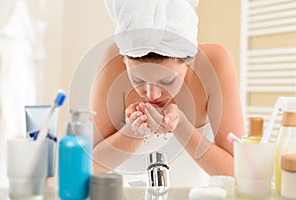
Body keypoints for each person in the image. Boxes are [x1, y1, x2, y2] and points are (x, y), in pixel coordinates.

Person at [91, 0, 244, 187]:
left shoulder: (215, 61)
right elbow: (90, 164)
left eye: (167, 81)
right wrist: (134, 131)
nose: (152, 94)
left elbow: (237, 174)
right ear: (123, 59)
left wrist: (180, 126)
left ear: (190, 60)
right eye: (138, 80)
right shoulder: (113, 60)